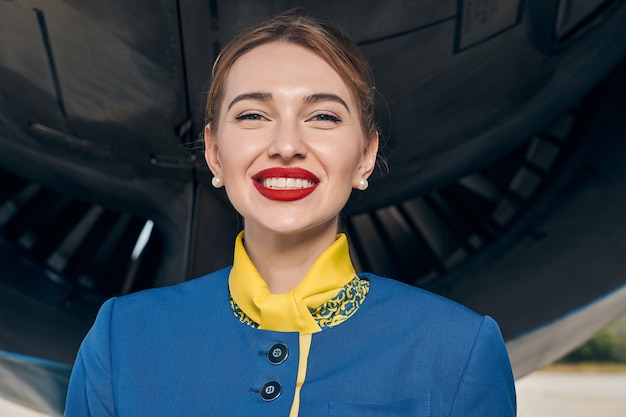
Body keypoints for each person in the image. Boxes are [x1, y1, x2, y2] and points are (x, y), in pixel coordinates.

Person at [64, 9, 516, 417]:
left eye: (322, 117)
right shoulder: (122, 339)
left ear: (366, 156)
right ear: (215, 152)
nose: (286, 145)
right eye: (252, 116)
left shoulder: (458, 349)